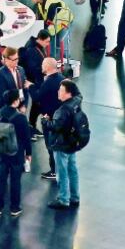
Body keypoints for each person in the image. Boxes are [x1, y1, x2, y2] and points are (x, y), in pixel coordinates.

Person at [0, 89, 32, 217]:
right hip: (16, 154)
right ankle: (14, 208)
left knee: (0, 180)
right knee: (15, 181)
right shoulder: (20, 118)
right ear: (16, 101)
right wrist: (28, 153)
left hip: (0, 152)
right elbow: (26, 138)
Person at [47, 80, 85, 210]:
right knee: (72, 170)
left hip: (61, 144)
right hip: (72, 143)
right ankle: (75, 197)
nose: (58, 92)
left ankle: (63, 199)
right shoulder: (77, 101)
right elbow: (79, 93)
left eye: (61, 90)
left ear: (68, 94)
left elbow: (55, 126)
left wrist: (45, 121)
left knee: (62, 172)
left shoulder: (63, 110)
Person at [34, 57, 65, 179]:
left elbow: (37, 97)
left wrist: (30, 87)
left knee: (51, 145)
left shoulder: (48, 82)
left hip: (50, 119)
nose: (41, 66)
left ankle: (54, 171)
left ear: (47, 67)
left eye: (43, 64)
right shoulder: (62, 79)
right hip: (61, 118)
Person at [0, 47, 29, 119]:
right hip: (8, 110)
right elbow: (3, 95)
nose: (17, 61)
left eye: (17, 58)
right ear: (6, 60)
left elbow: (25, 89)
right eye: (14, 60)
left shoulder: (21, 69)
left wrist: (24, 105)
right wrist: (15, 107)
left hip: (21, 107)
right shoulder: (0, 74)